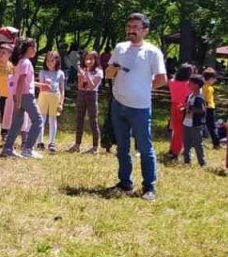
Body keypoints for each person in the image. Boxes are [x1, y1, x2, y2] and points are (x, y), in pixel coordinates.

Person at [105, 12, 167, 200]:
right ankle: (125, 183)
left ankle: (149, 187)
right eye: (129, 27)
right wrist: (113, 68)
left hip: (140, 107)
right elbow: (108, 74)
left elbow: (162, 79)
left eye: (136, 28)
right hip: (118, 104)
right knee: (122, 147)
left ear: (145, 31)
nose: (131, 31)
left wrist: (144, 88)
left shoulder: (152, 52)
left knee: (145, 147)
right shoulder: (120, 48)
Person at [2, 39, 45, 159]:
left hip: (19, 95)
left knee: (17, 123)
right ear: (30, 48)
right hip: (25, 96)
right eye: (35, 47)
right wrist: (19, 99)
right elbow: (21, 81)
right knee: (38, 120)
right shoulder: (26, 63)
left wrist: (17, 97)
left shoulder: (21, 62)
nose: (36, 50)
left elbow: (23, 81)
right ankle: (28, 149)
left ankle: (7, 148)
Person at [69, 51, 102, 153]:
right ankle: (77, 145)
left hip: (92, 95)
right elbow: (80, 86)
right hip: (82, 94)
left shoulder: (98, 71)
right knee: (79, 119)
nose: (88, 61)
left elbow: (92, 86)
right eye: (86, 58)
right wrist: (81, 76)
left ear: (95, 60)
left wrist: (86, 74)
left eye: (91, 59)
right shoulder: (82, 70)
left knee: (93, 121)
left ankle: (95, 147)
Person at [37, 50, 66, 152]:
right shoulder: (42, 72)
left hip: (55, 96)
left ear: (57, 61)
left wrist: (61, 103)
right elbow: (40, 87)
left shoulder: (60, 73)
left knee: (52, 119)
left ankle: (51, 142)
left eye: (52, 60)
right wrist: (45, 85)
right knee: (42, 118)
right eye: (48, 60)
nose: (50, 62)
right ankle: (39, 141)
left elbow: (62, 89)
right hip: (43, 96)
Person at [181, 74, 208, 167]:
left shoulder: (199, 98)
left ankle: (202, 163)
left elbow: (202, 110)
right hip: (186, 123)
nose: (188, 84)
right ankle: (187, 161)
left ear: (196, 85)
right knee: (186, 143)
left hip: (196, 125)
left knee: (198, 144)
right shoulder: (190, 96)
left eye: (190, 83)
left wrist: (189, 107)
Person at [167, 64, 193, 161]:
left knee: (176, 129)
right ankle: (175, 152)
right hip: (185, 107)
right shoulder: (189, 84)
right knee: (182, 131)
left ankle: (172, 149)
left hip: (174, 106)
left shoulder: (172, 82)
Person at [202, 68, 221, 148]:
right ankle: (216, 143)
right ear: (210, 79)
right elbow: (207, 99)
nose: (215, 81)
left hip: (202, 108)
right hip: (209, 108)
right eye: (214, 79)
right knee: (212, 127)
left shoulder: (201, 86)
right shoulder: (210, 88)